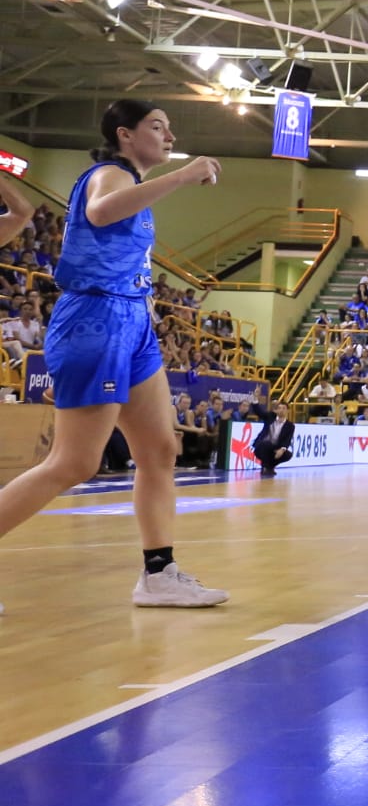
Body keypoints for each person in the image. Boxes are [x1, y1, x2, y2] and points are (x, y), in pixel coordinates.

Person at [0, 101, 230, 615]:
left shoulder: (133, 188)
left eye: (170, 127)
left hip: (132, 322)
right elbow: (100, 211)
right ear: (125, 135)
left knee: (160, 450)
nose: (169, 134)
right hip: (96, 320)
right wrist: (185, 176)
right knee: (75, 462)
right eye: (157, 126)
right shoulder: (108, 173)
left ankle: (159, 575)